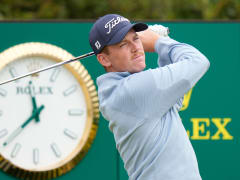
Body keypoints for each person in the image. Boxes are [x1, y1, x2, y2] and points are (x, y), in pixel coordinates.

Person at [89, 14, 210, 180]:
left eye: (136, 38)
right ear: (104, 59)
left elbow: (175, 96)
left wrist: (160, 42)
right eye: (123, 44)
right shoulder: (133, 91)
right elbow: (198, 61)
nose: (136, 47)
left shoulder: (119, 91)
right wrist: (158, 42)